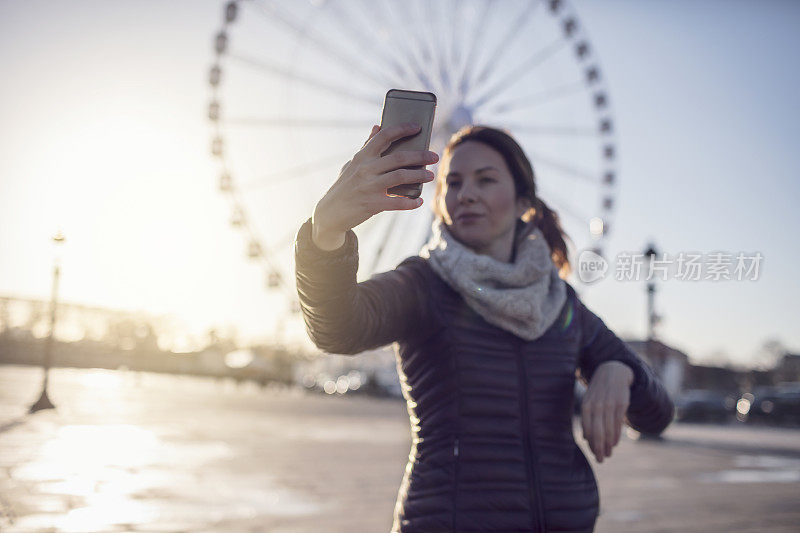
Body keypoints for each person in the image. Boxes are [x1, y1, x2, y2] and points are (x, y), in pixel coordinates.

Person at [294, 122, 674, 533]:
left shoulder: (561, 303)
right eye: (453, 183)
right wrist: (326, 232)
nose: (467, 194)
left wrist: (620, 371)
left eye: (486, 179)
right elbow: (336, 328)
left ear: (523, 200)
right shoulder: (424, 284)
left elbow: (657, 415)